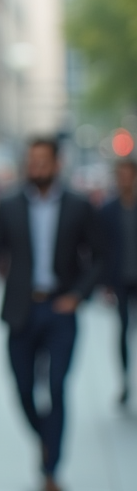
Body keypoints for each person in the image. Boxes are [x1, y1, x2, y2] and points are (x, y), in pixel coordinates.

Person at [0, 138, 104, 491]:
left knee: (59, 387)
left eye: (43, 161)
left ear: (57, 164)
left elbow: (99, 257)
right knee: (23, 388)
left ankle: (52, 468)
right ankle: (46, 440)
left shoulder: (78, 205)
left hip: (60, 310)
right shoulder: (9, 204)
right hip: (21, 310)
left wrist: (77, 295)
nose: (37, 168)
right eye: (32, 161)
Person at [100, 157, 137, 406]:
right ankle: (125, 380)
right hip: (121, 279)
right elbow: (102, 249)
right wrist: (105, 283)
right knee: (123, 330)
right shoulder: (108, 210)